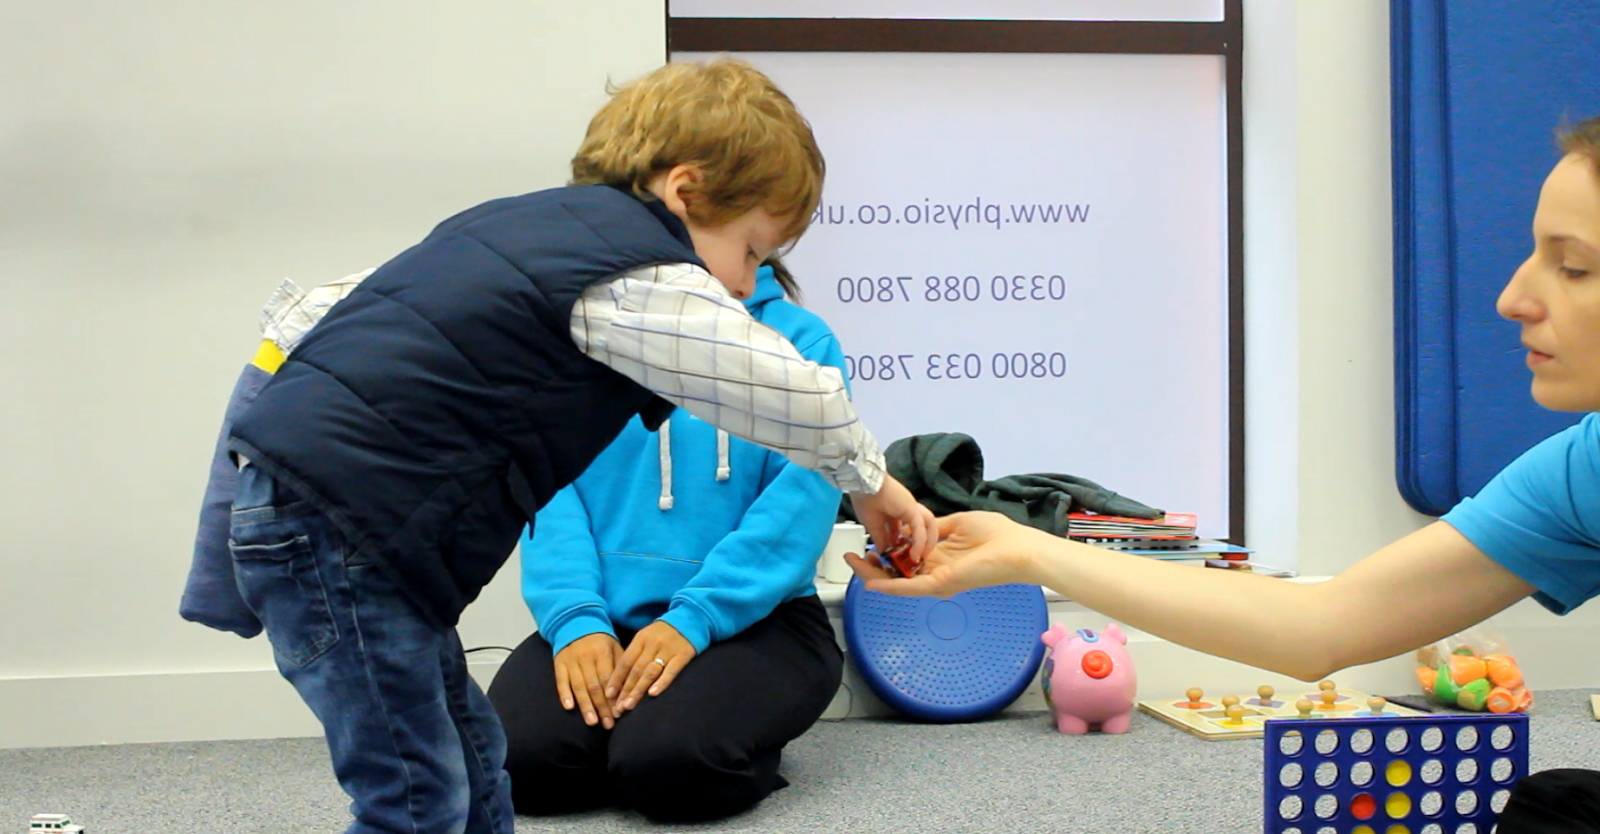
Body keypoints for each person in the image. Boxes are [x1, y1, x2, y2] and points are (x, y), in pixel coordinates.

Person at [212, 58, 936, 834]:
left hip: (710, 617)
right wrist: (874, 483)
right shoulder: (616, 286)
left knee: (525, 761)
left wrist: (223, 551)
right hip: (365, 545)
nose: (747, 281)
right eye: (753, 251)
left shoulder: (521, 237)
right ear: (684, 192)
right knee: (448, 782)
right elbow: (784, 400)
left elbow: (292, 336)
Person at [851, 116, 1600, 834]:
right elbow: (1323, 625)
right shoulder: (1584, 467)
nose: (1514, 300)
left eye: (1573, 267)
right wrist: (1028, 552)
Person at [486, 259, 846, 823]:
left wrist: (694, 619)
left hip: (756, 620)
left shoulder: (800, 341)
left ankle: (685, 739)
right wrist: (576, 621)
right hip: (604, 616)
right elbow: (547, 489)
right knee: (519, 768)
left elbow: (798, 506)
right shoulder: (578, 339)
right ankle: (642, 734)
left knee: (670, 769)